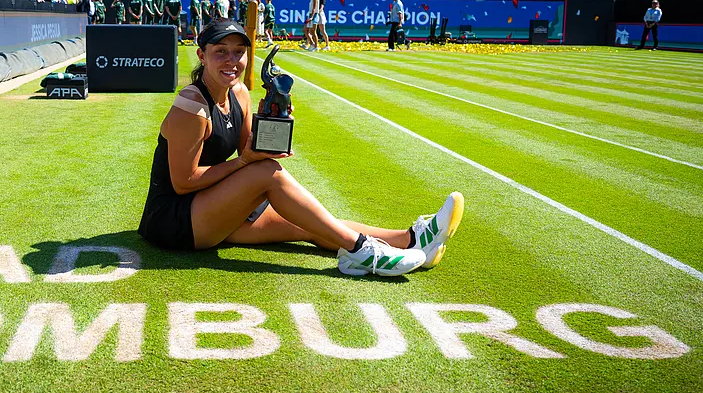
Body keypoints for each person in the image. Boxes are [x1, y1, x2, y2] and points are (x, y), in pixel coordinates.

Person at [137, 20, 464, 276]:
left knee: (311, 223)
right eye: (220, 51)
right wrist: (249, 162)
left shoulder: (239, 93)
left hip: (214, 207)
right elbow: (184, 182)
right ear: (202, 55)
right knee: (268, 174)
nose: (231, 60)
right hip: (175, 221)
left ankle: (412, 240)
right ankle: (362, 251)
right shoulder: (190, 106)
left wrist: (273, 126)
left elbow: (251, 150)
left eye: (239, 52)